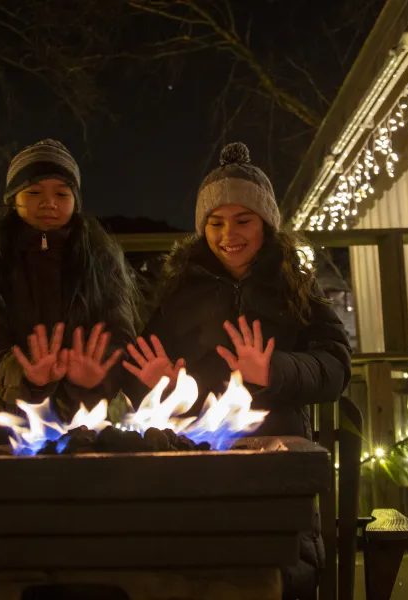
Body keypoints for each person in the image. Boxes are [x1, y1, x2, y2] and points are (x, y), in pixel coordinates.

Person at [122, 142, 352, 600]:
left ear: (265, 223)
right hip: (195, 465)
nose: (230, 234)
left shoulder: (295, 287)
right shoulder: (180, 290)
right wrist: (153, 385)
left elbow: (335, 366)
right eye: (216, 222)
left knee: (279, 574)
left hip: (277, 460)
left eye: (243, 220)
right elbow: (139, 371)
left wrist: (275, 369)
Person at [0, 139, 138, 446]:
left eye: (61, 193)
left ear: (76, 201)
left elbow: (120, 339)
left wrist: (98, 376)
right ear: (13, 199)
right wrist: (22, 374)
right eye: (34, 192)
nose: (48, 202)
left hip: (81, 422)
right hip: (4, 419)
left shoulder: (101, 262)